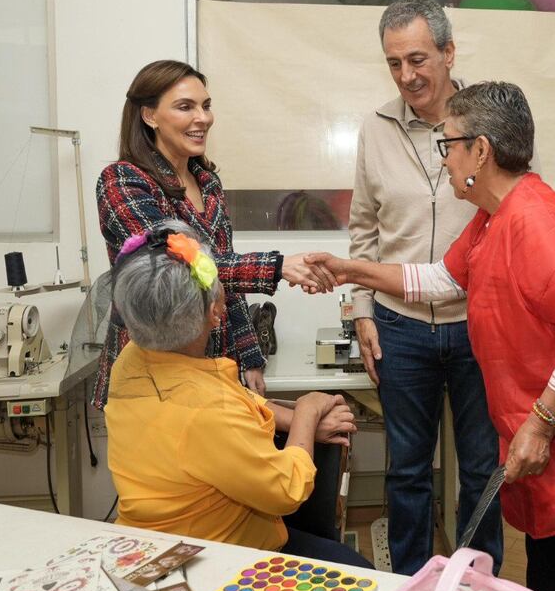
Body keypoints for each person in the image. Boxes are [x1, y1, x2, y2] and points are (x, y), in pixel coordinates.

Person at [307, 81, 555, 591]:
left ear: (480, 151)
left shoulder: (534, 219)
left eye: (449, 145)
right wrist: (352, 270)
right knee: (553, 575)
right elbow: (442, 280)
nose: (444, 161)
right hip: (549, 435)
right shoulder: (496, 216)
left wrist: (541, 422)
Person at [104, 220, 367, 566]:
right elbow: (287, 489)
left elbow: (239, 401)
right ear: (216, 314)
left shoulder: (130, 360)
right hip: (211, 557)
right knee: (359, 572)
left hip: (151, 539)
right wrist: (308, 408)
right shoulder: (209, 412)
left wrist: (295, 421)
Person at [348, 0, 502, 574]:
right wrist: (362, 311)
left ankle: (476, 584)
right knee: (407, 469)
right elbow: (363, 227)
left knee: (483, 467)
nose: (407, 76)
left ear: (448, 52)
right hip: (399, 326)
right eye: (393, 63)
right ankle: (408, 588)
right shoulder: (376, 127)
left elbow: (517, 211)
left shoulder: (488, 121)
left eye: (417, 59)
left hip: (477, 325)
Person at [92, 59, 334, 410]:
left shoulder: (208, 183)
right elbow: (177, 262)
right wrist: (277, 266)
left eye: (205, 106)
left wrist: (250, 357)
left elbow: (225, 284)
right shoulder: (123, 182)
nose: (202, 118)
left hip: (213, 367)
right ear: (149, 116)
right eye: (185, 107)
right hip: (153, 375)